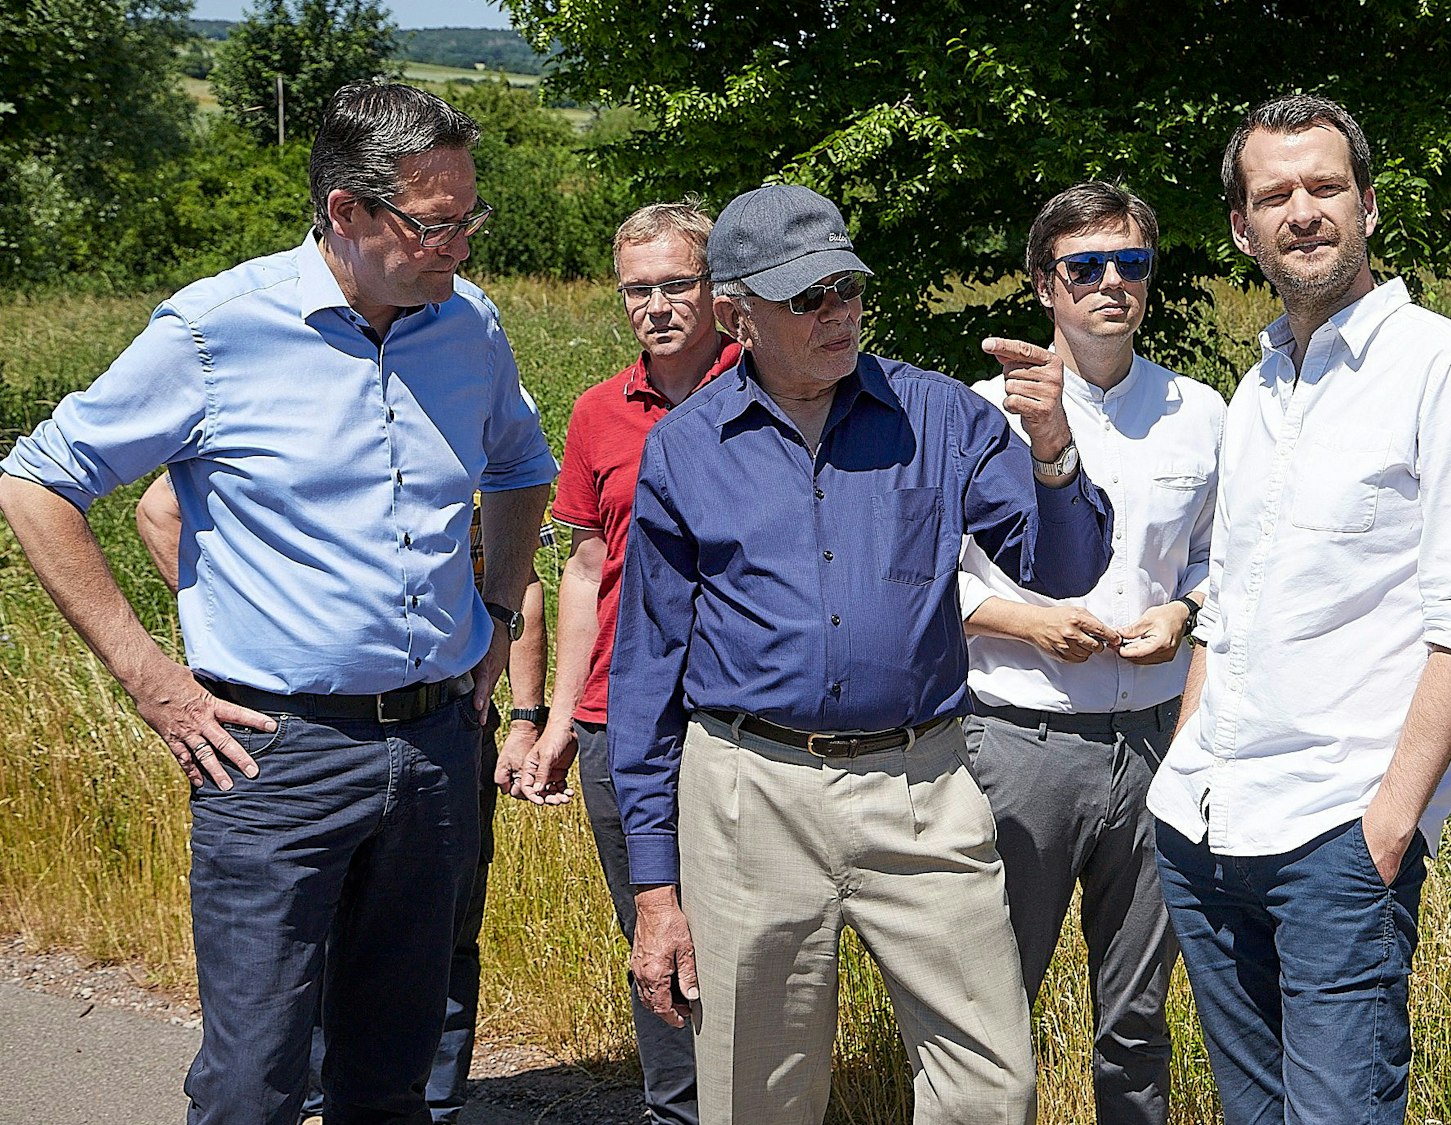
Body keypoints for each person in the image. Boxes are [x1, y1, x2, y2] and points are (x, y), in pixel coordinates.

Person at [0, 82, 556, 1125]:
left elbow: (522, 465)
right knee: (255, 1080)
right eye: (437, 225)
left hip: (438, 741)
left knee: (394, 1078)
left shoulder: (467, 324)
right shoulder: (216, 330)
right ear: (346, 213)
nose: (462, 248)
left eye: (470, 219)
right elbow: (35, 484)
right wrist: (153, 680)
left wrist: (495, 610)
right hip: (274, 755)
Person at [608, 183, 1114, 1125]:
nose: (835, 313)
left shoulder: (942, 418)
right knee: (754, 1094)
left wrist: (1052, 450)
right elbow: (647, 673)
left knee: (990, 1085)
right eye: (805, 297)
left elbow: (1064, 564)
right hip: (746, 793)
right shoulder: (683, 449)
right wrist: (655, 885)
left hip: (923, 789)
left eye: (845, 286)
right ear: (736, 313)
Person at [1147, 95, 1451, 1125]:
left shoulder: (1444, 373)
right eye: (1273, 195)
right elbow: (1225, 608)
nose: (1301, 211)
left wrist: (1390, 823)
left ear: (1365, 205)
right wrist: (1183, 768)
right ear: (1242, 228)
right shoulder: (1257, 390)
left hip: (1334, 835)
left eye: (1323, 187)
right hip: (1204, 825)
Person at [133, 479, 557, 1125]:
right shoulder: (275, 390)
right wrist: (239, 637)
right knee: (266, 1033)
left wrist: (523, 709)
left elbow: (520, 551)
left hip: (443, 718)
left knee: (432, 959)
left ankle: (432, 1102)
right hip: (297, 732)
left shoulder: (471, 397)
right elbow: (157, 510)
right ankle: (308, 1092)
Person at [956, 181, 1222, 1125]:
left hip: (1154, 743)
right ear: (1042, 284)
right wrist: (1027, 622)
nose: (1112, 283)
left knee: (1139, 1016)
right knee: (995, 1008)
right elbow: (926, 578)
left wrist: (1185, 612)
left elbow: (1222, 558)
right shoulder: (982, 414)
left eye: (1133, 264)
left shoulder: (1201, 412)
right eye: (1086, 266)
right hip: (1017, 740)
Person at [504, 200, 745, 1125]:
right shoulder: (601, 412)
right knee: (653, 931)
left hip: (733, 714)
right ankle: (673, 1110)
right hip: (618, 719)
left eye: (676, 284)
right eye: (637, 290)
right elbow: (584, 569)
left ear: (717, 290)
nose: (656, 306)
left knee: (747, 939)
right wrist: (552, 720)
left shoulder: (764, 387)